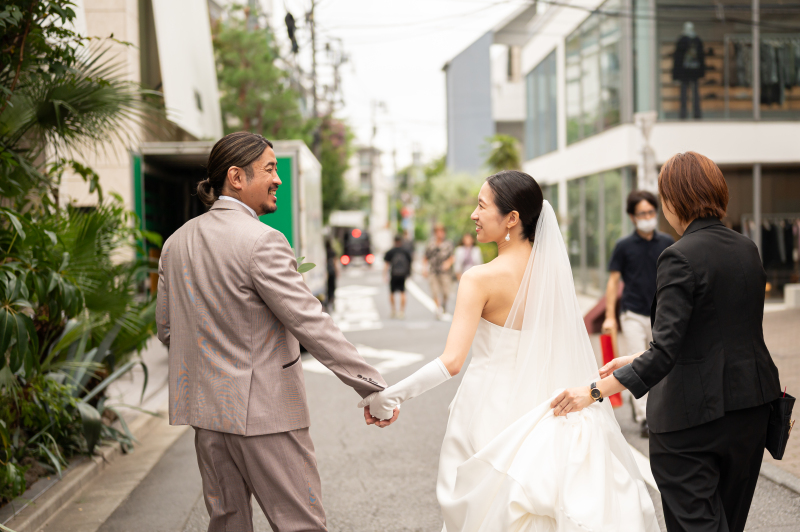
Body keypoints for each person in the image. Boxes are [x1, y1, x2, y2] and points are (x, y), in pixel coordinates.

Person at [360, 171, 658, 531]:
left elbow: (451, 362)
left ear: (512, 218)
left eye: (481, 206)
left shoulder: (479, 278)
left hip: (489, 409)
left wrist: (391, 397)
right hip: (545, 402)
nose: (474, 214)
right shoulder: (553, 274)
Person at [156, 132, 398, 532]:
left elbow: (168, 329)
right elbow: (310, 322)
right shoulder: (262, 241)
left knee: (227, 523)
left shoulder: (176, 243)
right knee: (300, 524)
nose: (278, 179)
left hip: (208, 415)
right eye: (270, 169)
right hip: (266, 414)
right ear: (236, 177)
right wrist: (371, 386)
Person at [553, 152, 781, 532]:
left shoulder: (678, 256)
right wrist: (636, 358)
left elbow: (666, 352)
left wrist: (592, 392)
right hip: (753, 410)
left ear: (675, 200)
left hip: (692, 419)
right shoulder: (747, 248)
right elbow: (717, 332)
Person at [603, 190, 674, 437]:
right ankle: (645, 418)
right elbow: (613, 282)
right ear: (632, 217)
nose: (647, 217)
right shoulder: (623, 246)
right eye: (642, 213)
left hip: (661, 314)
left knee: (660, 363)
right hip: (632, 312)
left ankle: (658, 410)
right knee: (638, 363)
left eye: (651, 212)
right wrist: (610, 316)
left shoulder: (667, 242)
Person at [424, 224, 455, 318]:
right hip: (433, 271)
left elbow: (452, 256)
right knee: (435, 291)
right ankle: (438, 309)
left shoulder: (448, 244)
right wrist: (424, 269)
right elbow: (425, 257)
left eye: (441, 231)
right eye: (438, 231)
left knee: (446, 291)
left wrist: (448, 263)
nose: (440, 234)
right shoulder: (431, 244)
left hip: (445, 272)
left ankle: (444, 304)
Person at [384, 235, 413, 319]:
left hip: (394, 274)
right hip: (403, 274)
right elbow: (410, 263)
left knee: (392, 293)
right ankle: (402, 311)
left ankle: (393, 310)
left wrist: (385, 275)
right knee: (402, 292)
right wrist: (409, 273)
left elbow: (386, 264)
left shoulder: (390, 251)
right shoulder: (406, 251)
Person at [325, 239, 338, 312]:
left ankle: (328, 303)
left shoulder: (324, 251)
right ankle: (332, 301)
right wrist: (337, 272)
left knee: (327, 288)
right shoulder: (332, 252)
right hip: (332, 272)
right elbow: (335, 262)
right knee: (332, 288)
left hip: (326, 273)